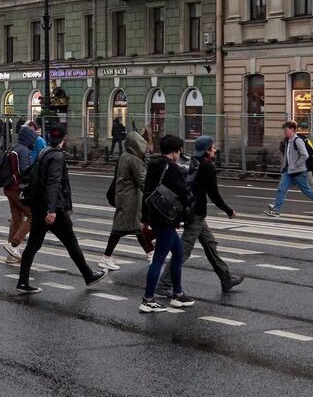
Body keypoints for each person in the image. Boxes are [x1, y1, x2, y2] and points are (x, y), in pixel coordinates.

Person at [16, 124, 107, 294]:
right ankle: (88, 275)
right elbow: (53, 183)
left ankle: (22, 281)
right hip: (53, 208)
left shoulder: (44, 151)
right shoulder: (57, 156)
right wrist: (52, 209)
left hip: (38, 205)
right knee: (71, 243)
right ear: (64, 139)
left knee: (33, 245)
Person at [154, 136, 242, 296]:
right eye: (213, 148)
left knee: (210, 244)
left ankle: (226, 278)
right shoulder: (207, 167)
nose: (214, 150)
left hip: (191, 211)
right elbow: (214, 194)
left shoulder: (191, 162)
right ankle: (163, 285)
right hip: (196, 214)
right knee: (184, 251)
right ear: (207, 150)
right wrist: (229, 211)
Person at [139, 134, 194, 313]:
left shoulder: (154, 165)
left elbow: (147, 191)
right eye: (179, 150)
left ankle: (178, 294)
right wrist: (189, 214)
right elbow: (184, 193)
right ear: (175, 151)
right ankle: (148, 299)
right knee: (158, 260)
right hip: (166, 218)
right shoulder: (173, 169)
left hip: (155, 215)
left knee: (178, 254)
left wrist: (144, 218)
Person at [100, 129, 151, 271]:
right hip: (130, 198)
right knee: (120, 228)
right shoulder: (133, 159)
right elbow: (142, 181)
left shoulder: (125, 156)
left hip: (125, 196)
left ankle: (150, 254)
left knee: (135, 228)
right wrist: (152, 194)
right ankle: (106, 257)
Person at [263, 122, 313, 218]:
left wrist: (296, 165)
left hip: (299, 172)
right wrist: (285, 166)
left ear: (292, 130)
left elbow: (305, 155)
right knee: (281, 189)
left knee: (307, 191)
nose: (284, 132)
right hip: (288, 171)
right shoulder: (288, 141)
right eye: (284, 130)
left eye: (286, 130)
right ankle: (276, 210)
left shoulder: (297, 140)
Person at [1, 127, 35, 263]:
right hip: (17, 189)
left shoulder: (12, 147)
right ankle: (14, 244)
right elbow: (24, 171)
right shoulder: (23, 150)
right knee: (34, 215)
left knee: (16, 219)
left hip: (8, 187)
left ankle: (11, 255)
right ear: (28, 139)